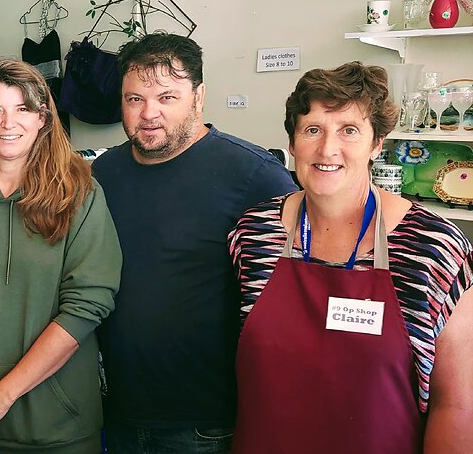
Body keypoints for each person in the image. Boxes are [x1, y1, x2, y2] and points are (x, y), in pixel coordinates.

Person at [227, 62, 473, 453]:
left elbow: (458, 406)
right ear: (292, 143)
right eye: (312, 130)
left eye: (349, 131)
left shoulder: (433, 249)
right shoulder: (255, 233)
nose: (327, 149)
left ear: (377, 144)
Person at [91, 33, 296, 452]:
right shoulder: (104, 173)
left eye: (167, 97)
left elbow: (287, 306)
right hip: (118, 409)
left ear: (198, 97)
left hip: (206, 423)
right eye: (134, 100)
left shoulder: (255, 175)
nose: (149, 114)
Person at [0, 59, 121, 454]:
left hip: (61, 426)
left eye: (23, 109)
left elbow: (87, 304)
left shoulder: (80, 195)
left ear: (43, 119)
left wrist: (0, 398)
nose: (8, 123)